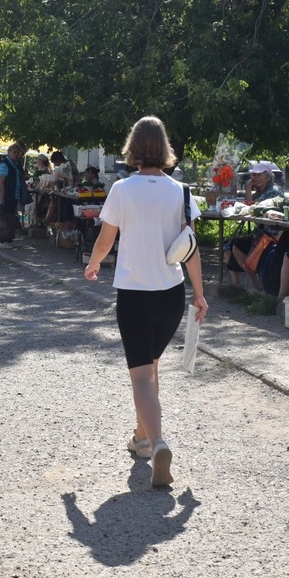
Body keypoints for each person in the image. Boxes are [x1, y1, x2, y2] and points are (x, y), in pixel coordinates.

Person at [85, 116, 208, 489]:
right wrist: (199, 294)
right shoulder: (181, 192)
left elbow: (106, 241)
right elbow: (191, 250)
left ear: (133, 147)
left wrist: (92, 264)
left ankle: (158, 445)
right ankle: (141, 439)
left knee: (140, 376)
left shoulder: (122, 189)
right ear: (165, 147)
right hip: (170, 296)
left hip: (134, 295)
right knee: (151, 369)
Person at [226, 162, 286, 290]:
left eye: (259, 175)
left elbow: (250, 207)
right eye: (254, 175)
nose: (255, 178)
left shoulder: (273, 192)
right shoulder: (260, 192)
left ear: (268, 177)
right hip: (260, 233)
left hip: (271, 235)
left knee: (239, 248)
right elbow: (250, 204)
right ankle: (243, 286)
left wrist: (248, 187)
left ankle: (258, 287)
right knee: (230, 246)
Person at [0, 142, 29, 237]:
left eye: (17, 153)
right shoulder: (5, 164)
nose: (16, 154)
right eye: (14, 152)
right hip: (8, 194)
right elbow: (1, 182)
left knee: (11, 216)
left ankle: (9, 237)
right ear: (9, 152)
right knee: (6, 216)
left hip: (15, 194)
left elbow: (22, 176)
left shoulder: (16, 164)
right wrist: (2, 196)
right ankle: (4, 239)